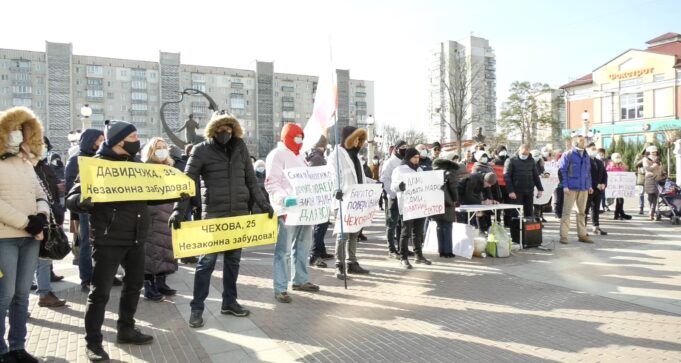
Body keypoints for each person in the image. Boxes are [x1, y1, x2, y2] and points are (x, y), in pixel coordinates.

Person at [169, 113, 274, 327]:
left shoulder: (240, 148)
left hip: (238, 216)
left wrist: (264, 205)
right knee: (206, 263)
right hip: (214, 217)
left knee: (233, 262)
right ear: (212, 130)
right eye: (220, 129)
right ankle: (197, 308)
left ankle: (229, 302)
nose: (224, 132)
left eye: (228, 128)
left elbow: (251, 181)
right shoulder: (201, 150)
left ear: (234, 130)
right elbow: (187, 184)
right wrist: (178, 212)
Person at [67, 121, 159, 361]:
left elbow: (149, 196)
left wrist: (172, 193)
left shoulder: (136, 164)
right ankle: (94, 343)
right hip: (109, 239)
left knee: (134, 286)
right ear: (119, 140)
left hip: (137, 237)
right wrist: (82, 201)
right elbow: (72, 197)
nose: (137, 140)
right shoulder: (96, 166)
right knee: (100, 293)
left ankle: (126, 329)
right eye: (134, 136)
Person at [0, 107, 50, 363]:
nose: (18, 134)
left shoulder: (26, 163)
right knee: (3, 295)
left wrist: (41, 216)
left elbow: (41, 194)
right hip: (4, 238)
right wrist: (26, 222)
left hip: (30, 238)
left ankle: (18, 346)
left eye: (22, 130)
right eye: (14, 129)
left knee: (21, 295)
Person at [265, 123, 320, 304]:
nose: (300, 140)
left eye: (302, 137)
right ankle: (280, 288)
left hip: (304, 210)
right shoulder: (277, 154)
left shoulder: (301, 157)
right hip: (288, 209)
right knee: (284, 251)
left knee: (303, 247)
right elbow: (272, 183)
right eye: (296, 136)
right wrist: (283, 199)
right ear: (287, 136)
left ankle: (300, 280)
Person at [64, 128, 105, 292]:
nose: (102, 143)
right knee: (86, 244)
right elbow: (71, 187)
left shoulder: (101, 158)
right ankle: (86, 278)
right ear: (91, 140)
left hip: (103, 207)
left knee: (103, 243)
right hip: (86, 209)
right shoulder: (76, 160)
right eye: (100, 140)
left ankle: (102, 275)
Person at [328, 126, 371, 279]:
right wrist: (336, 190)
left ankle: (351, 262)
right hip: (343, 199)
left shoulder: (356, 156)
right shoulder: (336, 155)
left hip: (357, 200)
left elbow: (360, 177)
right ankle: (339, 265)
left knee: (355, 233)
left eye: (361, 139)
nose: (358, 142)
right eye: (356, 138)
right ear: (349, 139)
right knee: (343, 234)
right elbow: (332, 176)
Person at [140, 138, 178, 301]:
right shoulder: (144, 169)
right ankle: (148, 285)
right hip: (152, 214)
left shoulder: (170, 168)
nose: (162, 150)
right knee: (150, 251)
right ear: (150, 151)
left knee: (165, 249)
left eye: (164, 147)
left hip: (168, 212)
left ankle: (162, 282)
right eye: (157, 148)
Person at [33, 137, 67, 308]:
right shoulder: (26, 167)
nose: (43, 148)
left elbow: (50, 192)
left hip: (49, 216)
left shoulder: (45, 167)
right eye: (39, 145)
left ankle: (44, 292)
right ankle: (44, 293)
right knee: (41, 260)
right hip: (35, 219)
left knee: (43, 259)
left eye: (45, 145)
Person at [391, 148, 431, 269]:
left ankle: (418, 255)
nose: (417, 159)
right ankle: (403, 257)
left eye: (418, 157)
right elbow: (393, 186)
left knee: (418, 232)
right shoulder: (399, 169)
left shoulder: (419, 169)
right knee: (405, 232)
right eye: (414, 157)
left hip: (419, 205)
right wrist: (399, 186)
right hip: (407, 205)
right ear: (408, 157)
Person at [558, 136, 593, 244]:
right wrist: (565, 186)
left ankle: (582, 235)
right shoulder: (568, 154)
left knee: (581, 212)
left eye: (584, 141)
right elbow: (562, 171)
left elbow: (588, 172)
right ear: (575, 143)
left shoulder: (586, 155)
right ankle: (563, 236)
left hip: (583, 188)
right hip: (571, 188)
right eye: (581, 141)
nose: (584, 142)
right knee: (566, 213)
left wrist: (589, 186)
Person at [306, 136, 333, 268]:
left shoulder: (316, 157)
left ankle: (320, 250)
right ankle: (315, 253)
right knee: (320, 226)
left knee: (322, 225)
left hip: (320, 196)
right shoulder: (317, 158)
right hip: (319, 197)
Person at [379, 140, 408, 258]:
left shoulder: (405, 161)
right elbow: (385, 180)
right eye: (402, 147)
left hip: (404, 198)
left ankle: (402, 248)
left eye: (406, 147)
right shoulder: (390, 162)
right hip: (394, 197)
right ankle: (391, 249)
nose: (404, 149)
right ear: (396, 149)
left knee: (402, 223)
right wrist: (393, 194)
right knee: (392, 223)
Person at [504, 144, 543, 217]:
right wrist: (510, 191)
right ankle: (515, 228)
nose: (525, 155)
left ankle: (526, 227)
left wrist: (540, 189)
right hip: (516, 191)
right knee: (515, 213)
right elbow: (507, 176)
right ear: (519, 151)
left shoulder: (531, 160)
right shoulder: (511, 160)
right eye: (523, 153)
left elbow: (535, 175)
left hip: (529, 190)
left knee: (529, 212)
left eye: (526, 154)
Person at [432, 156, 460, 258]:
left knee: (439, 226)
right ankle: (448, 251)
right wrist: (455, 200)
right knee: (448, 226)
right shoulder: (450, 172)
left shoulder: (432, 172)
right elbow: (453, 188)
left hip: (436, 202)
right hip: (448, 202)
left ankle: (441, 251)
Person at [585, 143, 608, 235]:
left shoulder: (599, 161)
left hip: (599, 190)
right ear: (587, 150)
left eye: (595, 149)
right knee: (585, 209)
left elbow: (605, 174)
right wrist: (596, 184)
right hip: (589, 189)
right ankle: (583, 228)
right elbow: (586, 175)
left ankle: (596, 227)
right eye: (592, 149)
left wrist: (604, 184)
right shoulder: (585, 161)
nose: (594, 150)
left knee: (596, 208)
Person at [607, 153, 632, 220]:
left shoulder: (621, 164)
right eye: (617, 157)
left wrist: (623, 165)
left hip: (620, 186)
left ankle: (618, 214)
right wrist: (612, 166)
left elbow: (626, 169)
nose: (618, 158)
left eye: (619, 157)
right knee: (620, 200)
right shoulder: (610, 165)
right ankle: (620, 214)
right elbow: (607, 173)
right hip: (613, 186)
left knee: (620, 200)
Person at [642, 145, 664, 221]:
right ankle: (651, 212)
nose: (654, 153)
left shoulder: (659, 159)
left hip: (658, 179)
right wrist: (654, 165)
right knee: (650, 197)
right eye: (653, 152)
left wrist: (663, 173)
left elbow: (661, 169)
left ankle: (652, 213)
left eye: (655, 152)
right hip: (650, 178)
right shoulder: (645, 159)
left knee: (655, 196)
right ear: (649, 152)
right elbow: (647, 169)